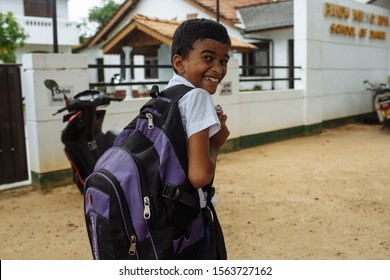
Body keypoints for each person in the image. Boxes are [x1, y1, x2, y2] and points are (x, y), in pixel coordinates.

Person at [165, 18, 231, 259]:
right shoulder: (198, 97)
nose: (218, 68)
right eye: (208, 58)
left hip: (165, 217)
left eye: (223, 61)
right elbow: (199, 175)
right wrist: (216, 143)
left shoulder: (164, 95)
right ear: (179, 62)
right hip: (188, 221)